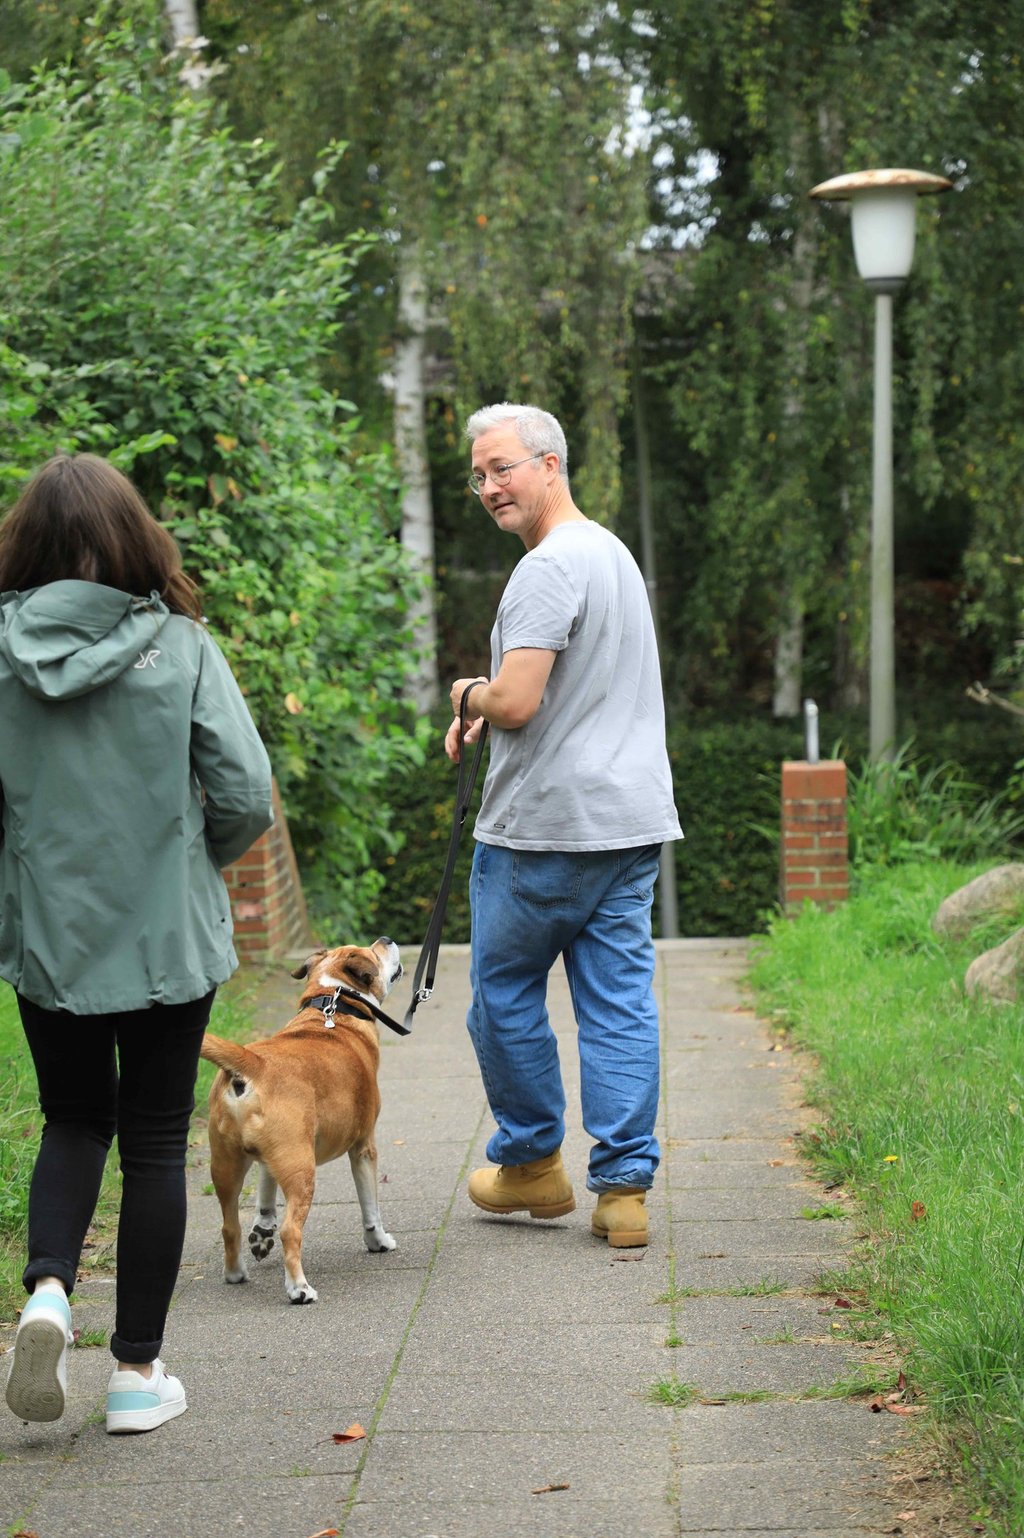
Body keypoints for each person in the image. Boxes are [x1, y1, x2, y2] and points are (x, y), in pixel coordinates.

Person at [0, 453, 273, 1433]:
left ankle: (45, 1296)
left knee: (74, 1120)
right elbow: (244, 792)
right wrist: (189, 862)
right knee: (157, 1140)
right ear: (133, 538)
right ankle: (134, 1375)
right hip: (167, 938)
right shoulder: (182, 645)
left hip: (49, 936)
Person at [445, 403, 682, 1248]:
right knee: (618, 1004)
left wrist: (467, 695)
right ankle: (623, 1194)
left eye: (502, 467)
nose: (487, 487)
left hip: (543, 829)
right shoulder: (613, 554)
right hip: (628, 824)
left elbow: (516, 700)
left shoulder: (547, 567)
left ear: (551, 464)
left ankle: (532, 1164)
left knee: (501, 995)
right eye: (477, 474)